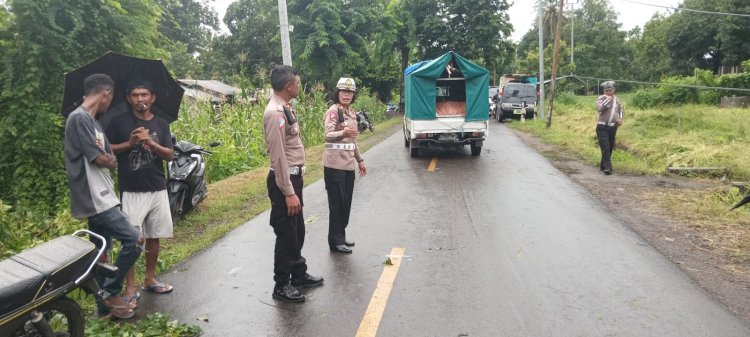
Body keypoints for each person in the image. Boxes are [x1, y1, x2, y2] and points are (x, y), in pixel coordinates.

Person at [63, 73, 141, 319]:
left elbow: (111, 158)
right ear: (106, 93)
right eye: (111, 97)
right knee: (134, 239)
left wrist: (108, 157)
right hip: (94, 197)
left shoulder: (95, 123)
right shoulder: (79, 119)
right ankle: (111, 292)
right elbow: (102, 158)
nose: (110, 102)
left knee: (101, 253)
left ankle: (104, 310)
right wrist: (107, 158)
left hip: (104, 194)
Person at [105, 79, 175, 304]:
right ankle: (130, 288)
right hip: (132, 190)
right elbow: (107, 150)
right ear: (128, 98)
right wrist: (130, 142)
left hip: (157, 187)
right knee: (133, 241)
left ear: (152, 97)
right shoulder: (118, 122)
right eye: (135, 95)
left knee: (154, 236)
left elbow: (169, 155)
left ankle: (150, 279)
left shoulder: (161, 124)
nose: (140, 99)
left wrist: (151, 144)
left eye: (144, 94)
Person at [263, 65, 323, 303]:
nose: (299, 86)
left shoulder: (286, 108)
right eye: (297, 83)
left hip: (293, 178)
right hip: (284, 180)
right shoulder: (275, 113)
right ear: (289, 86)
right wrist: (288, 191)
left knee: (297, 229)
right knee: (287, 234)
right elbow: (278, 157)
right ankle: (281, 284)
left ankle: (298, 273)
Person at [323, 77, 367, 254]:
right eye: (344, 91)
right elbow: (328, 135)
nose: (347, 95)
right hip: (334, 166)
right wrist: (343, 132)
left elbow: (352, 139)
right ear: (338, 93)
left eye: (350, 92)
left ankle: (340, 236)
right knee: (337, 205)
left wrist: (360, 160)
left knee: (346, 204)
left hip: (348, 165)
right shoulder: (333, 112)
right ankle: (336, 241)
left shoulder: (350, 113)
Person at [596, 81, 624, 175]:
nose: (608, 92)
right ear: (604, 91)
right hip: (602, 126)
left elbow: (620, 110)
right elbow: (600, 108)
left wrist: (620, 118)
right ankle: (608, 168)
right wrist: (608, 99)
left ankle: (603, 166)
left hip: (612, 127)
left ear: (614, 90)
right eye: (606, 90)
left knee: (610, 147)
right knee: (605, 147)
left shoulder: (617, 99)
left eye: (610, 90)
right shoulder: (601, 98)